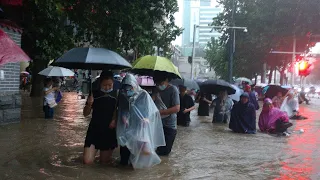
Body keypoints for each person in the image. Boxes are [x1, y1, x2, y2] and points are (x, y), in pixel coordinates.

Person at [117, 74, 165, 169]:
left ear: (135, 85)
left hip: (140, 127)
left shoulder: (143, 95)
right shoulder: (122, 95)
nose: (128, 91)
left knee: (139, 153)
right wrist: (123, 116)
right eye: (126, 88)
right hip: (127, 128)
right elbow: (122, 109)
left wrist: (147, 118)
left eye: (130, 88)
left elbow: (151, 110)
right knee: (124, 155)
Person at [82, 71, 118, 164]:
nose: (107, 87)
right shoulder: (94, 93)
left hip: (109, 130)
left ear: (113, 83)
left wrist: (114, 120)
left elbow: (119, 110)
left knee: (104, 163)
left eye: (110, 85)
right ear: (100, 83)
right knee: (87, 161)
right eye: (104, 85)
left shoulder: (117, 93)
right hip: (94, 129)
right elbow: (85, 114)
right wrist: (89, 104)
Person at [153, 73, 180, 156]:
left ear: (166, 81)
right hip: (158, 124)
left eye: (160, 84)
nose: (158, 86)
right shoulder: (156, 90)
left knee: (165, 152)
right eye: (156, 84)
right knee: (157, 150)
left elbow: (177, 108)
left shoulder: (173, 90)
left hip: (170, 125)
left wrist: (162, 112)